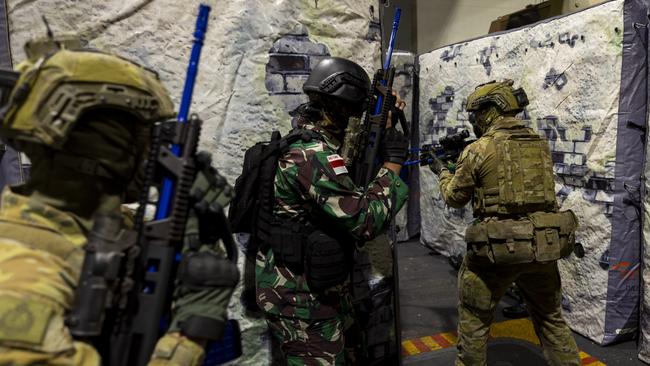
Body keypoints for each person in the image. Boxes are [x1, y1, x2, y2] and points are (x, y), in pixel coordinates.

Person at [0, 36, 235, 366]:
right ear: (103, 149)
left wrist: (197, 229)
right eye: (142, 137)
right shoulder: (20, 278)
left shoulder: (88, 228)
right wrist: (189, 339)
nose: (154, 153)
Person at [254, 57, 409, 365]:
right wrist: (393, 161)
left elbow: (346, 174)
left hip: (319, 290)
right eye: (356, 111)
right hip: (301, 300)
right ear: (343, 108)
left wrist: (382, 121)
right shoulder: (311, 155)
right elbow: (364, 219)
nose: (357, 118)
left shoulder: (310, 142)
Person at [430, 79, 580, 366]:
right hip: (541, 247)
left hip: (496, 251)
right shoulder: (540, 144)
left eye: (476, 114)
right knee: (551, 320)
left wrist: (443, 172)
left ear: (491, 110)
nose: (474, 120)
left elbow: (454, 197)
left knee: (474, 324)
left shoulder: (478, 149)